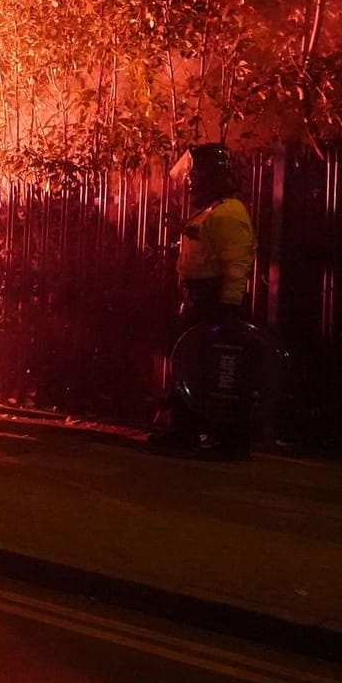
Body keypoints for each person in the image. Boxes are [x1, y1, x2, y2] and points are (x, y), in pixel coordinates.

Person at [150, 143, 258, 457]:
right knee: (192, 366)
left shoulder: (229, 212)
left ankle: (228, 441)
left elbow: (237, 264)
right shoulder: (215, 210)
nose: (191, 181)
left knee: (219, 371)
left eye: (195, 174)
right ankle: (185, 430)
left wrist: (228, 308)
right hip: (202, 301)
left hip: (216, 303)